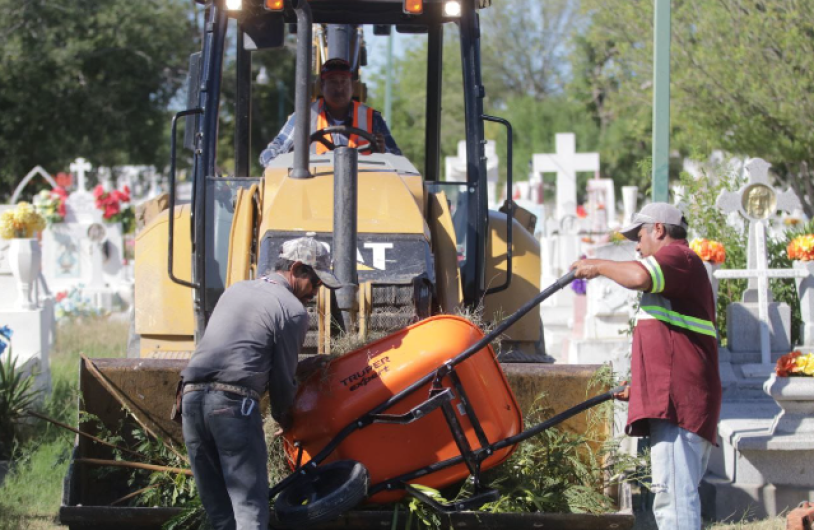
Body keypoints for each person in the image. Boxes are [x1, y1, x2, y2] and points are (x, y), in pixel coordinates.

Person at [570, 203, 721, 530]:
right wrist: (639, 387)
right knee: (674, 496)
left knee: (674, 501)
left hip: (679, 404)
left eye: (639, 237)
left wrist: (597, 265)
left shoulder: (679, 257)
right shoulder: (680, 268)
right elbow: (669, 343)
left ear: (659, 229)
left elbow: (639, 275)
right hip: (676, 400)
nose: (637, 247)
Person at [180, 234, 341, 530]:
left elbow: (242, 352)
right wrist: (286, 418)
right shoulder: (292, 310)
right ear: (297, 269)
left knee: (221, 515)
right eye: (315, 283)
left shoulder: (236, 290)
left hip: (190, 401)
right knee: (249, 510)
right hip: (231, 408)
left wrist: (301, 368)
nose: (315, 292)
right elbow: (282, 382)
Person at [259, 58, 401, 166]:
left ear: (352, 86)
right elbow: (269, 154)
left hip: (364, 189)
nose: (339, 87)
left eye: (344, 81)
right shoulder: (305, 116)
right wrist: (288, 160)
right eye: (333, 81)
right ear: (322, 86)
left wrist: (382, 153)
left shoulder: (372, 118)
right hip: (312, 188)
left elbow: (397, 161)